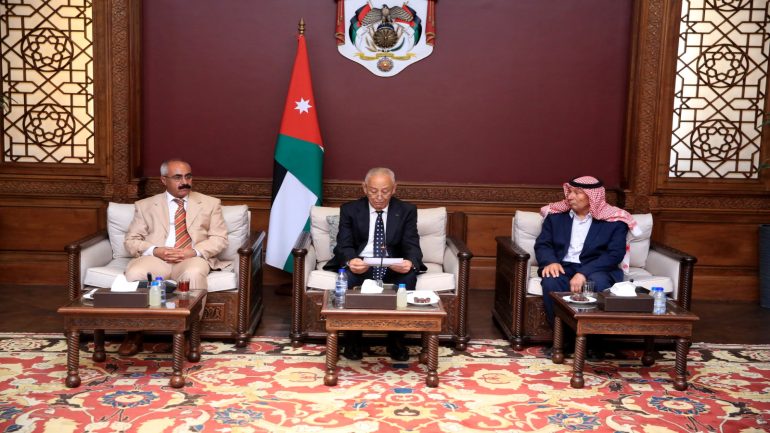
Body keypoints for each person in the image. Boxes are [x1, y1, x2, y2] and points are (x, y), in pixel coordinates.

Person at [119, 158, 229, 356]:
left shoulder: (210, 204)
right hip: (157, 259)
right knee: (135, 273)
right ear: (163, 180)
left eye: (188, 176)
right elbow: (131, 240)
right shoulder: (145, 205)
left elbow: (219, 239)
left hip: (191, 257)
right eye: (178, 177)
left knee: (193, 273)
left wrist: (193, 251)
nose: (184, 182)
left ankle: (189, 335)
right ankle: (134, 333)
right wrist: (155, 250)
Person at [324, 167, 425, 361]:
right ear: (364, 188)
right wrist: (351, 260)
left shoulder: (406, 210)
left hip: (392, 266)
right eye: (373, 191)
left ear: (394, 189)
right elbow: (343, 245)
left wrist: (410, 263)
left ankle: (396, 341)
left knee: (408, 277)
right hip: (363, 266)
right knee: (348, 277)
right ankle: (353, 340)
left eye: (385, 191)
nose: (379, 197)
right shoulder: (350, 209)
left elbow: (412, 244)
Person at [535, 176, 639, 329]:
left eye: (577, 193)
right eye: (570, 191)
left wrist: (583, 273)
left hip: (597, 268)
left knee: (598, 282)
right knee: (551, 280)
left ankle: (593, 337)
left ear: (592, 197)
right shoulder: (555, 217)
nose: (570, 196)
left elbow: (614, 254)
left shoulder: (614, 221)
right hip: (563, 266)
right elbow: (543, 244)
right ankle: (561, 336)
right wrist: (550, 261)